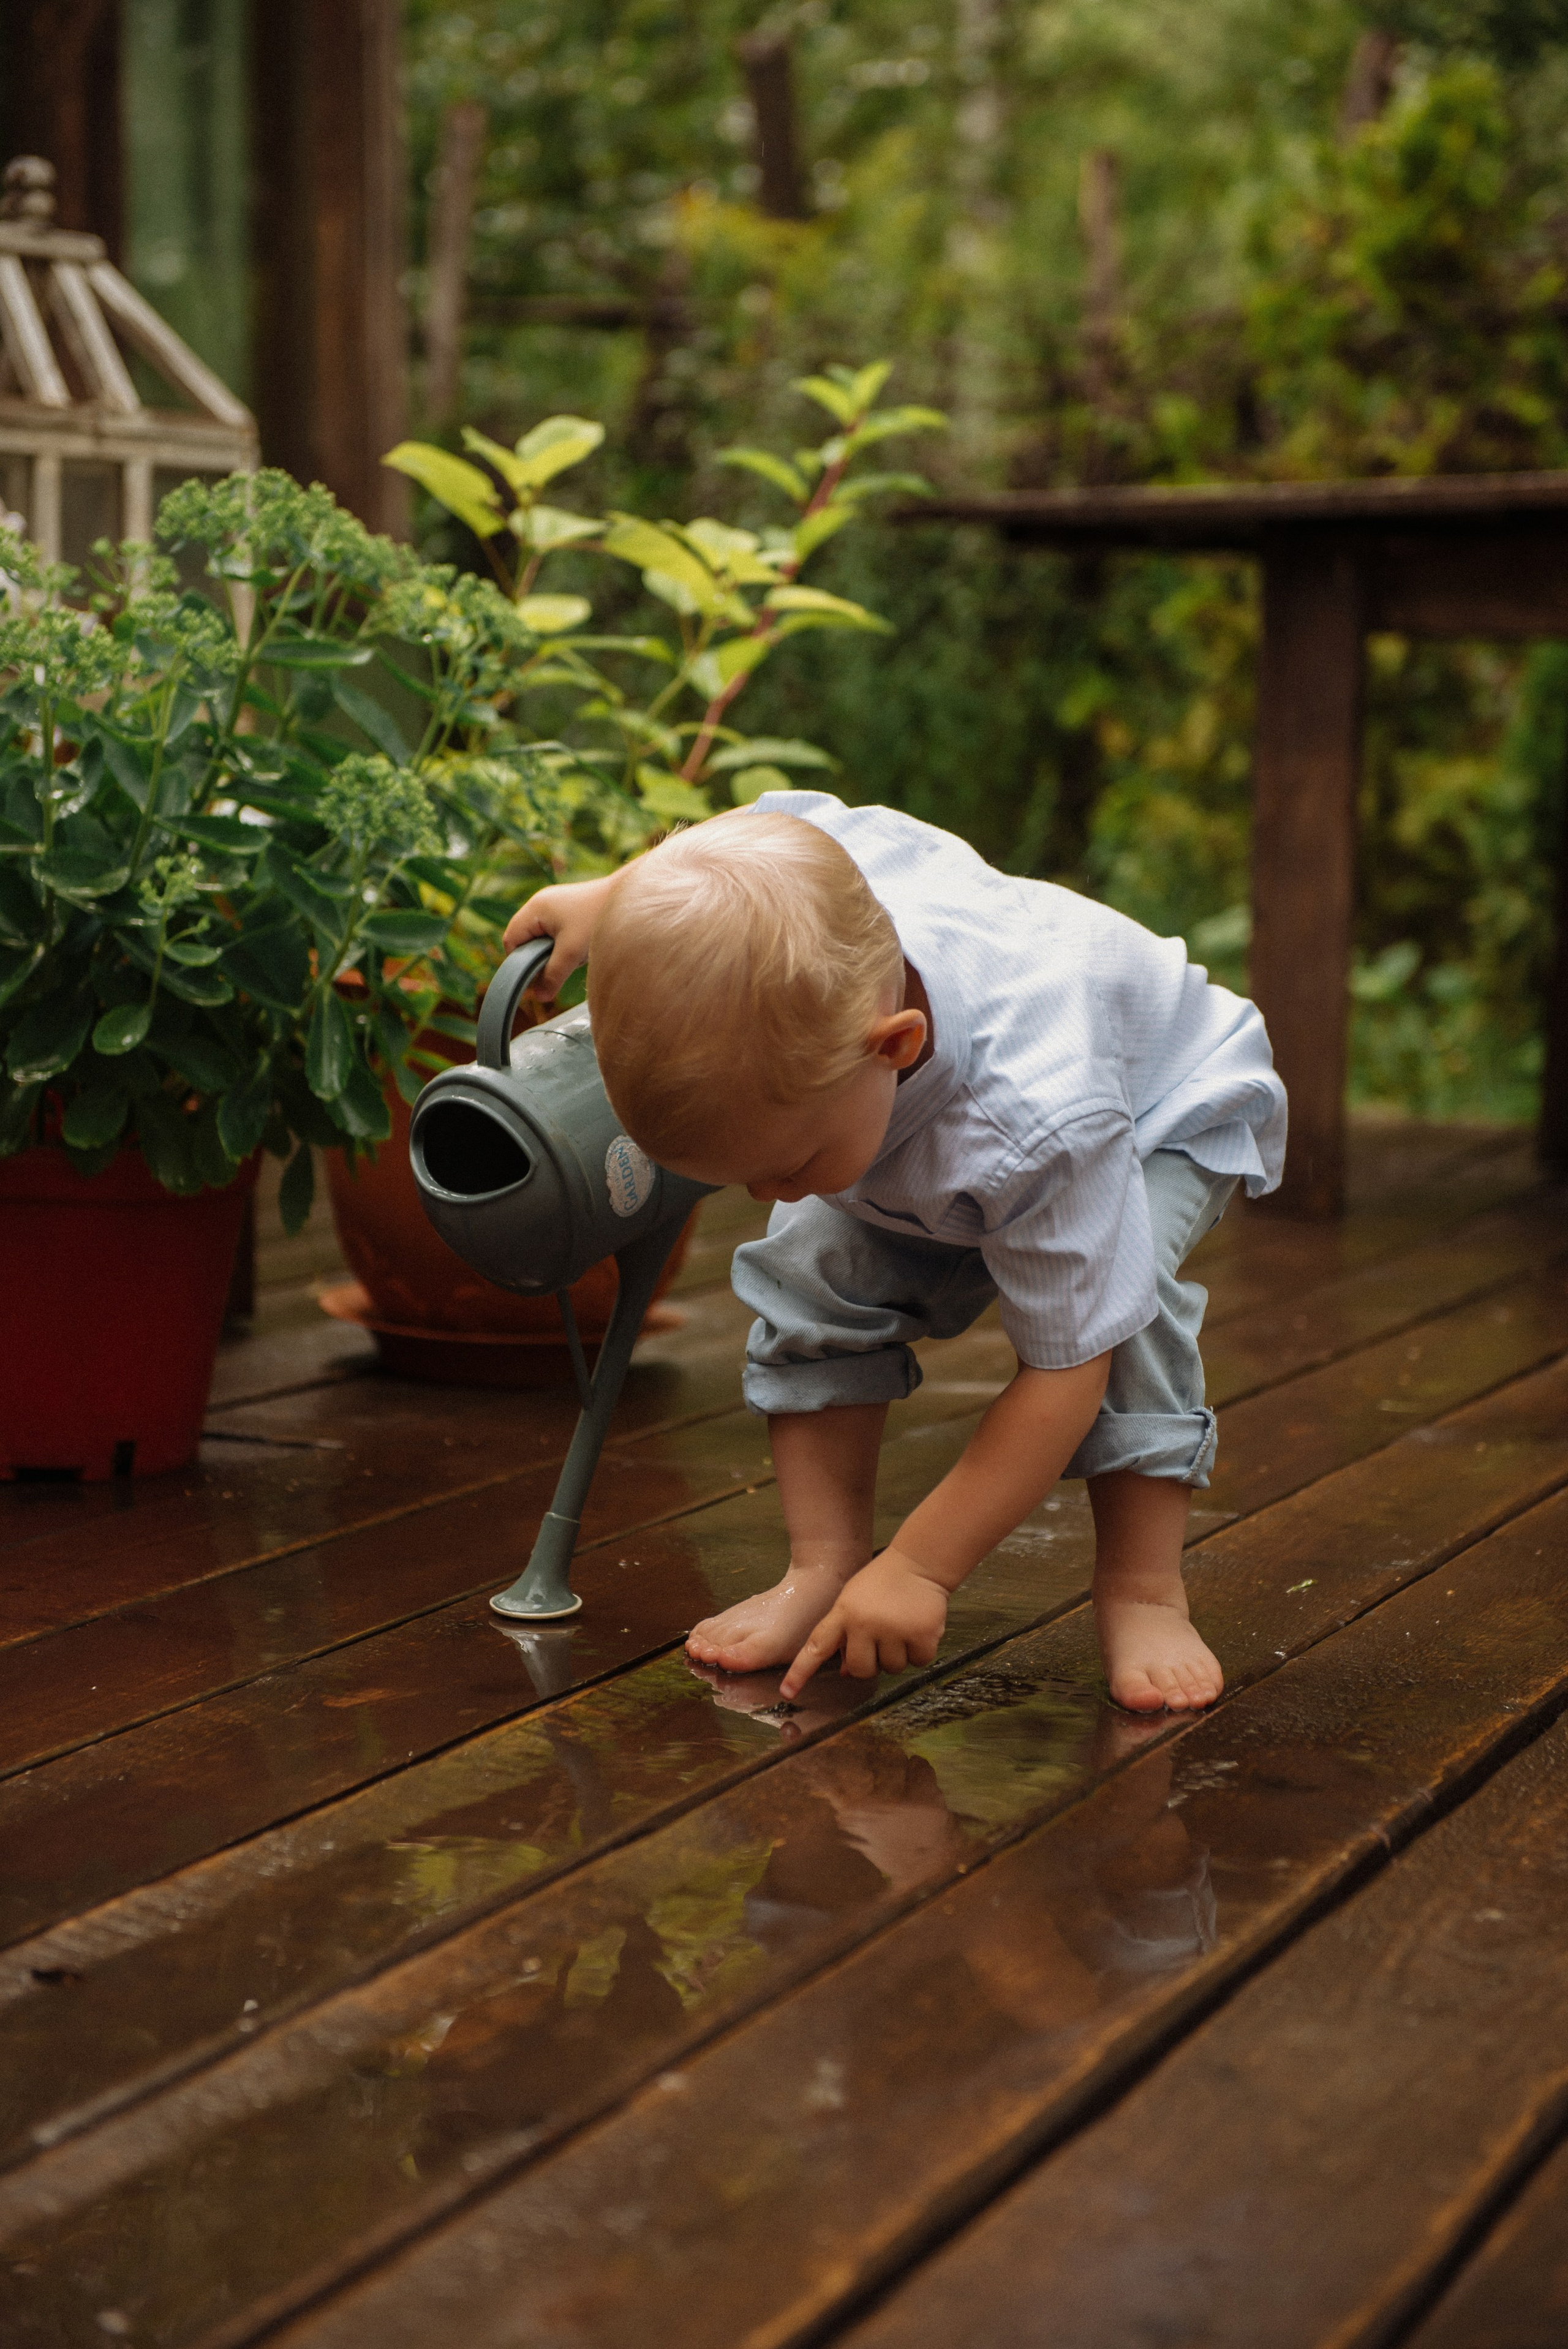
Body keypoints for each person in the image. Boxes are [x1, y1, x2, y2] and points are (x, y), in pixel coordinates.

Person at [505, 793, 1286, 1713]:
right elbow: (736, 843)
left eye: (786, 1164)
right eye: (742, 1176)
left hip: (1161, 1100)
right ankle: (825, 1562)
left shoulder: (1040, 1116)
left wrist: (922, 1565)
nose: (767, 1193)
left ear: (895, 1046)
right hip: (936, 1125)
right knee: (807, 1265)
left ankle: (1145, 1590)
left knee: (1131, 1304)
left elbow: (1066, 1372)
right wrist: (615, 899)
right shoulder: (821, 902)